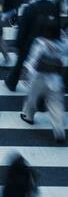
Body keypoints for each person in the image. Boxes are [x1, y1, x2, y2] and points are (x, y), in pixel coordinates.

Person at [19, 14, 65, 143]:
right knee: (55, 104)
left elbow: (33, 60)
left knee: (32, 98)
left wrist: (26, 72)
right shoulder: (63, 44)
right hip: (55, 78)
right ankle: (59, 130)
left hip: (39, 77)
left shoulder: (40, 42)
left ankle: (29, 116)